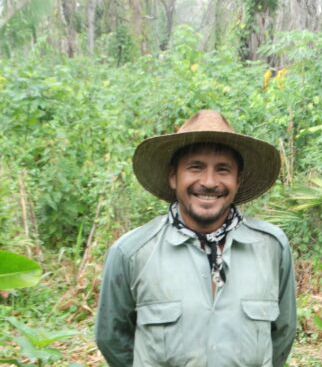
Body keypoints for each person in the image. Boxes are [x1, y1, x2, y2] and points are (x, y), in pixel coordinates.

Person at [95, 110, 297, 367]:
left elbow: (283, 333)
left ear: (238, 179)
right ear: (173, 176)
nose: (209, 182)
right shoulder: (132, 252)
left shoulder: (272, 247)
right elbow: (111, 339)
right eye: (195, 167)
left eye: (223, 169)